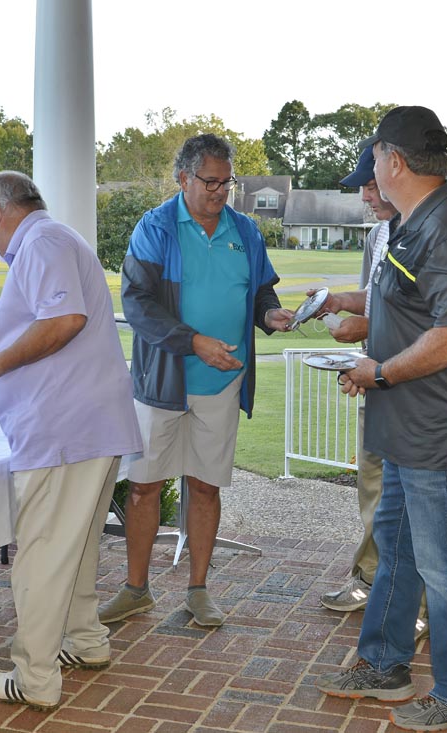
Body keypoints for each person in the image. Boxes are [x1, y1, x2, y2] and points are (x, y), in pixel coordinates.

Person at [0, 171, 142, 710]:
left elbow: (64, 320)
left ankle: (35, 676)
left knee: (40, 551)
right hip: (89, 424)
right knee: (76, 543)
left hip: (63, 426)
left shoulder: (42, 242)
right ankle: (85, 640)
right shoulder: (44, 246)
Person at [316, 107, 447, 732]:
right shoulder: (414, 223)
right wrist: (362, 336)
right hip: (407, 427)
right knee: (396, 549)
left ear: (393, 161)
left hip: (440, 431)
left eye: (374, 158)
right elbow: (407, 308)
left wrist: (380, 373)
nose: (371, 171)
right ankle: (384, 666)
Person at [100, 133, 293, 628]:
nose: (221, 191)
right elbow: (137, 303)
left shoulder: (245, 231)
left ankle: (198, 590)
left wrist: (270, 315)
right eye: (210, 181)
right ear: (183, 178)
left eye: (227, 182)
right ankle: (136, 589)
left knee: (205, 488)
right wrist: (194, 342)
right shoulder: (155, 227)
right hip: (161, 384)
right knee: (143, 488)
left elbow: (261, 293)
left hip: (221, 384)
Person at [318, 146, 428, 642]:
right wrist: (340, 303)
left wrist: (363, 328)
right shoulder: (379, 235)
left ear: (394, 173)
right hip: (377, 379)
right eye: (362, 187)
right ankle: (368, 580)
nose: (365, 195)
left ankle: (417, 605)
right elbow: (377, 299)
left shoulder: (425, 232)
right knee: (373, 489)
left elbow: (432, 321)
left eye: (370, 184)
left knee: (411, 501)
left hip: (416, 387)